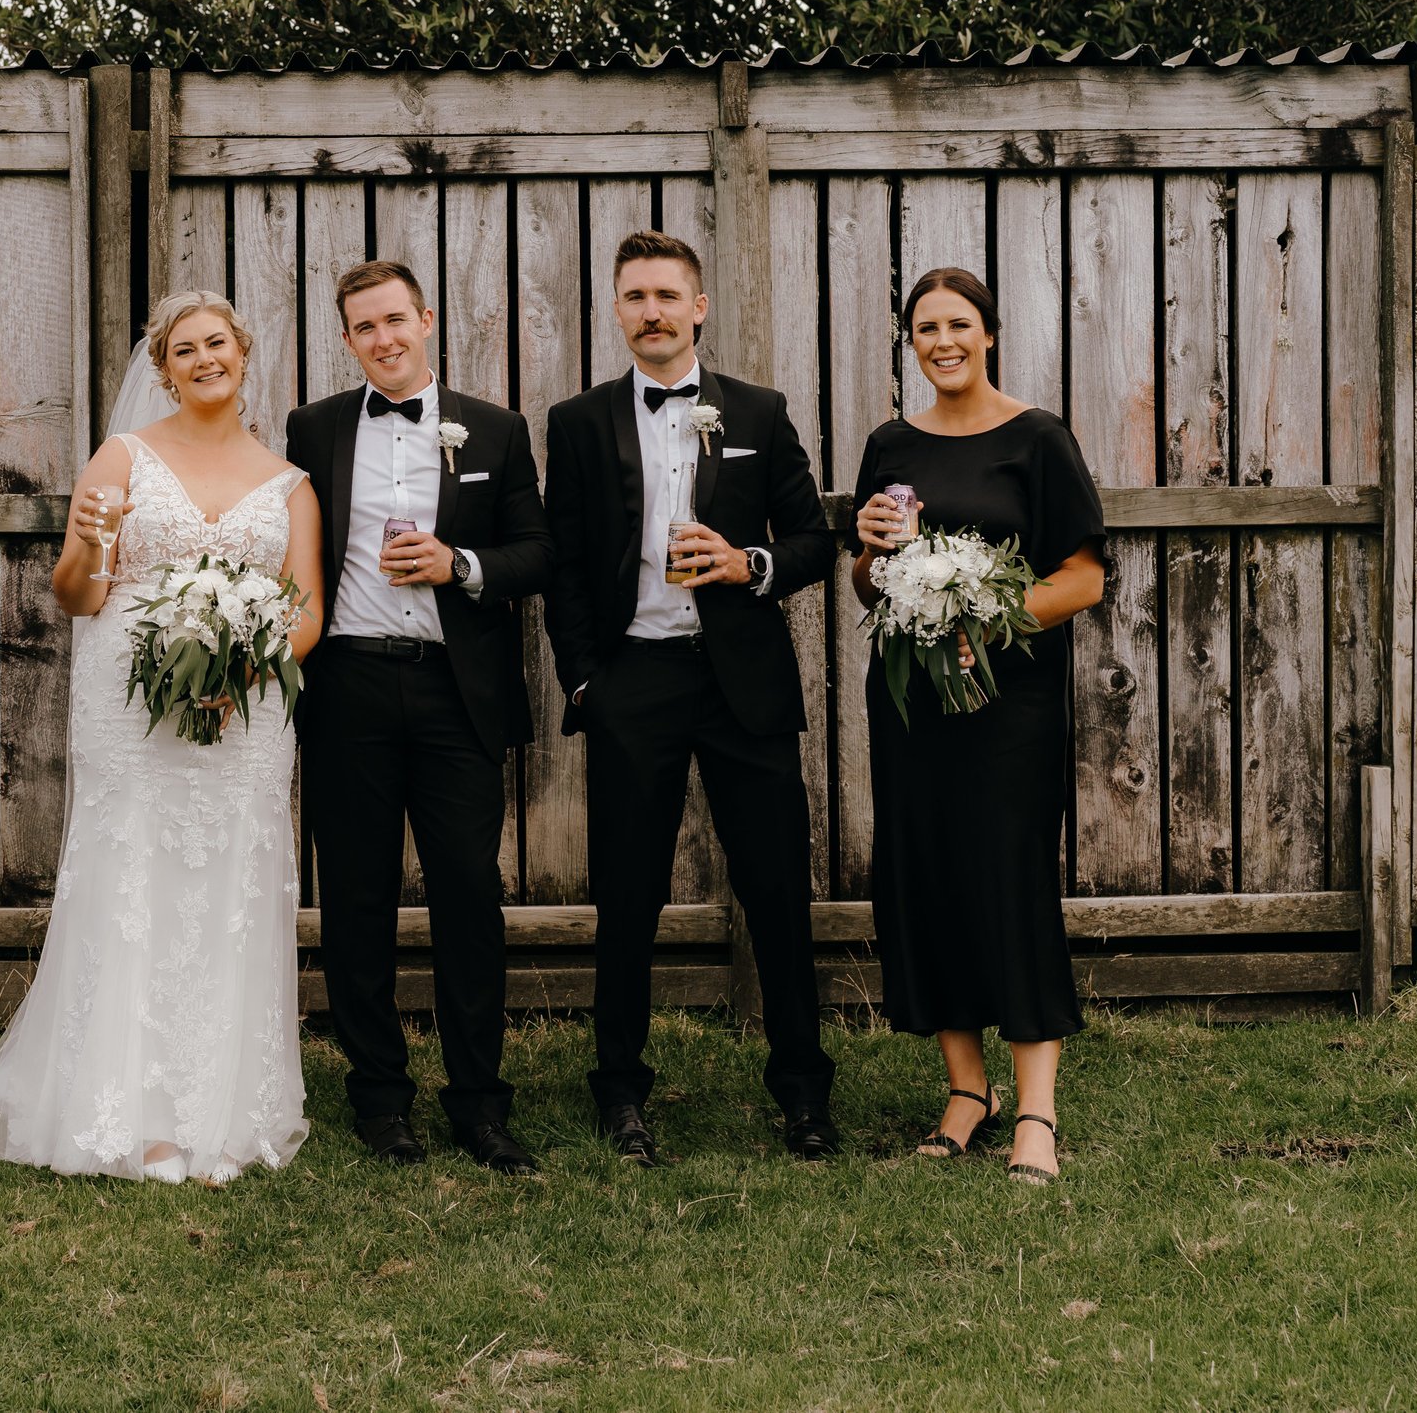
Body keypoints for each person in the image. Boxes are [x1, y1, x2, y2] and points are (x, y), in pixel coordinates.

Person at [0, 290, 326, 1183]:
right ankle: (135, 1110)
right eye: (184, 350)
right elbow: (77, 595)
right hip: (131, 709)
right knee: (136, 881)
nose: (203, 359)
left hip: (247, 713)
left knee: (230, 885)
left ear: (243, 351)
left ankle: (223, 1110)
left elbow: (304, 614)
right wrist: (93, 544)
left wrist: (237, 673)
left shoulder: (291, 483)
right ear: (164, 369)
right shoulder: (123, 458)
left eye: (216, 342)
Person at [542, 229, 838, 1167]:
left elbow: (813, 540)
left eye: (668, 296)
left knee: (778, 895)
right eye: (635, 297)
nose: (652, 312)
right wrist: (587, 678)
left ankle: (802, 1095)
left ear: (699, 307)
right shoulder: (579, 421)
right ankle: (621, 1094)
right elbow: (565, 567)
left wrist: (746, 562)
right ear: (618, 311)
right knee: (627, 897)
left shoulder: (758, 407)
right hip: (636, 679)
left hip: (741, 683)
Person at [282, 260, 553, 1174]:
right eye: (364, 327)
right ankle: (380, 1100)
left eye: (395, 320)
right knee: (357, 899)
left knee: (468, 898)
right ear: (347, 338)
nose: (383, 339)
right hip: (348, 686)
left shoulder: (497, 428)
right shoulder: (313, 428)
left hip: (454, 691)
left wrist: (460, 565)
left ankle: (480, 1103)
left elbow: (538, 553)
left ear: (426, 319)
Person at [850, 266, 1105, 1184]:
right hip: (913, 706)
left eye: (959, 324)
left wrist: (986, 622)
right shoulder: (889, 443)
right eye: (926, 327)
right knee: (929, 878)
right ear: (909, 341)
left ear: (989, 333)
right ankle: (967, 1091)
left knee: (1010, 879)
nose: (943, 340)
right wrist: (874, 557)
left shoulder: (1038, 439)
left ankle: (1035, 1107)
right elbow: (865, 577)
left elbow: (1084, 577)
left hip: (1011, 707)